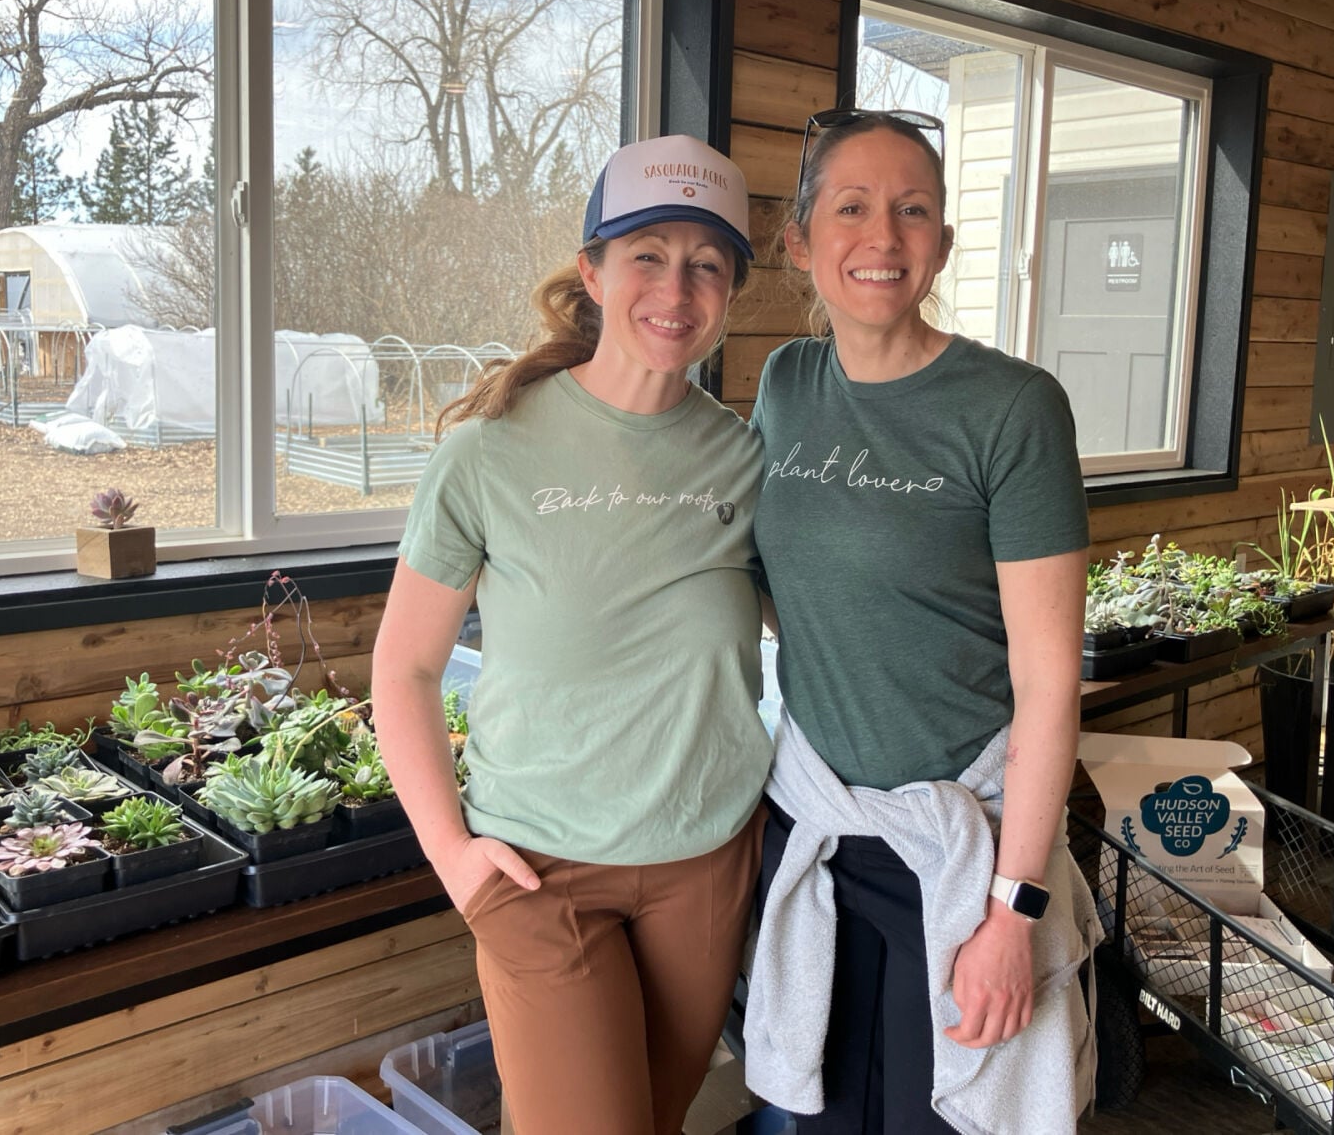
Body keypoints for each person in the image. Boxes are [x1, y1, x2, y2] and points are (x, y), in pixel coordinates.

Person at [370, 133, 772, 1135]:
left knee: (660, 1118)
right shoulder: (487, 451)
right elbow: (406, 667)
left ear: (729, 290)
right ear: (591, 270)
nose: (674, 288)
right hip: (535, 866)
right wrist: (453, 856)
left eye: (706, 263)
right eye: (647, 254)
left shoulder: (745, 460)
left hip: (704, 859)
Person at [741, 109, 1101, 1134]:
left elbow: (1044, 687)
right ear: (800, 239)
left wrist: (1012, 910)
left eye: (912, 211)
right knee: (823, 1114)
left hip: (964, 849)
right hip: (816, 822)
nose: (882, 237)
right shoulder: (785, 384)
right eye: (849, 208)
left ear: (941, 242)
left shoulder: (1011, 407)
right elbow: (779, 580)